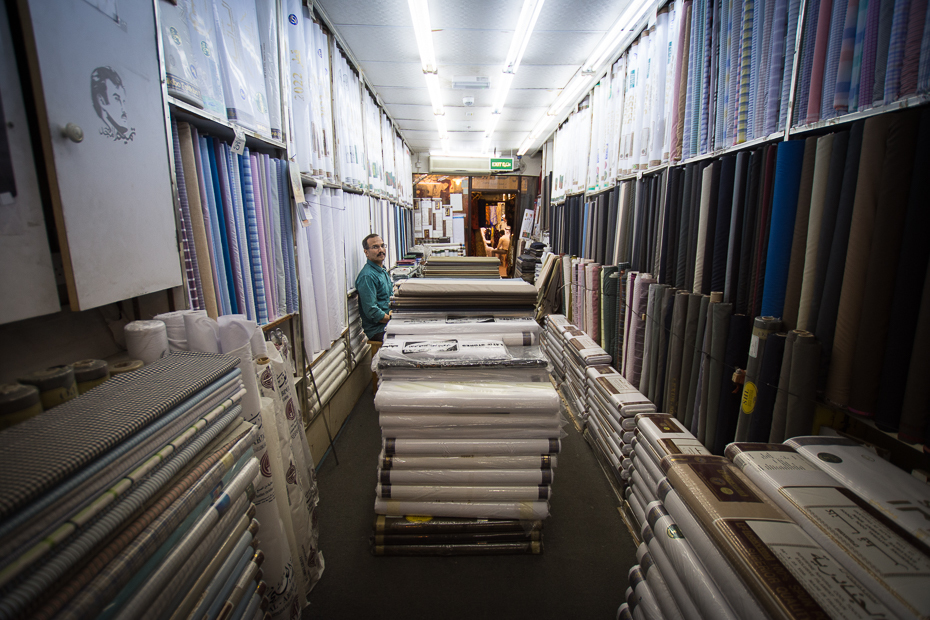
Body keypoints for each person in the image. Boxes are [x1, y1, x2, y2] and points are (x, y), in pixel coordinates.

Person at [355, 233, 392, 342]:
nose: (381, 250)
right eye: (375, 247)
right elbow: (372, 311)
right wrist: (392, 319)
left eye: (382, 245)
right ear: (366, 252)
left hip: (388, 321)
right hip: (378, 329)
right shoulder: (367, 276)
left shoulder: (382, 271)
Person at [91, 66, 135, 143]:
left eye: (123, 101)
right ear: (101, 100)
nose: (124, 109)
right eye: (117, 99)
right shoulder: (96, 141)